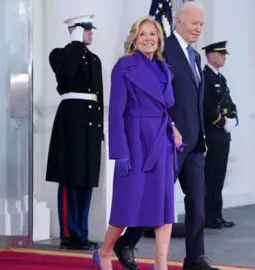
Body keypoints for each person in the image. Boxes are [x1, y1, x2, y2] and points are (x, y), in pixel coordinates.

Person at [113, 3, 220, 270]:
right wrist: (169, 127)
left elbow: (196, 102)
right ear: (179, 22)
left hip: (194, 142)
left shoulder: (195, 57)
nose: (198, 29)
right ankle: (126, 242)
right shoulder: (163, 51)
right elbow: (156, 98)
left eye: (202, 25)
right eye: (194, 23)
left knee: (197, 200)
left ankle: (195, 258)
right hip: (165, 140)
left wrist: (203, 137)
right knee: (153, 198)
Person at [92, 16, 180, 270]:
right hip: (136, 143)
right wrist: (120, 151)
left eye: (153, 34)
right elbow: (116, 112)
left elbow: (164, 108)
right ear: (134, 39)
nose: (148, 38)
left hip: (161, 143)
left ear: (159, 39)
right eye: (143, 34)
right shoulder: (124, 67)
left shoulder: (165, 69)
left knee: (163, 206)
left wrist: (173, 128)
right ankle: (105, 252)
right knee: (128, 204)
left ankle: (160, 264)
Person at [45, 14, 104, 250]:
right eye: (86, 29)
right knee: (70, 179)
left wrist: (100, 127)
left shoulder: (95, 59)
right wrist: (75, 43)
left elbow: (99, 95)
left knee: (86, 180)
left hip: (90, 124)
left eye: (90, 29)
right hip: (71, 121)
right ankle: (69, 234)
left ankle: (82, 231)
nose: (91, 33)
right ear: (75, 30)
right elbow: (67, 73)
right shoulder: (61, 54)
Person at [201, 41, 238, 229]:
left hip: (223, 136)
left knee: (219, 177)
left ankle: (217, 214)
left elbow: (230, 104)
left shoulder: (221, 79)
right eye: (221, 53)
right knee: (209, 177)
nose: (224, 57)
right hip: (211, 134)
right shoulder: (204, 77)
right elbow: (207, 107)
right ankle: (208, 216)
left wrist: (233, 119)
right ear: (210, 55)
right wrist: (222, 122)